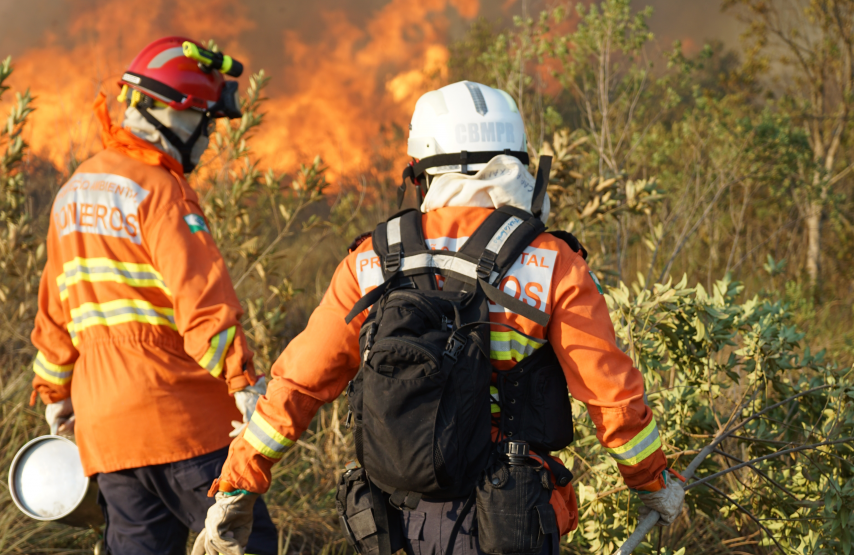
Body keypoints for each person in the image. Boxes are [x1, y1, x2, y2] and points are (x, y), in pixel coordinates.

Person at [194, 81, 684, 555]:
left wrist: (237, 484)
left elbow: (298, 386)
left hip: (396, 518)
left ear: (421, 174)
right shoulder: (552, 261)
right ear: (519, 166)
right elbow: (611, 395)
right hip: (510, 516)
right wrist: (652, 481)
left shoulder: (369, 260)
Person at [31, 36, 278, 555]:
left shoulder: (73, 190)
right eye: (205, 122)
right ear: (175, 114)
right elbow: (203, 306)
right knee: (244, 540)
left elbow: (54, 317)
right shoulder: (162, 191)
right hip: (180, 420)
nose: (207, 139)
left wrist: (56, 397)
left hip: (106, 433)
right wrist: (243, 382)